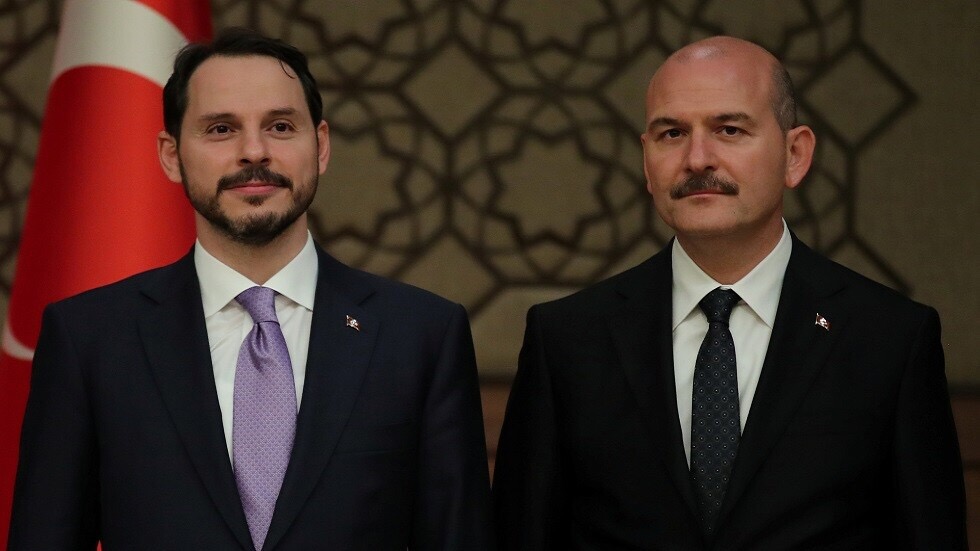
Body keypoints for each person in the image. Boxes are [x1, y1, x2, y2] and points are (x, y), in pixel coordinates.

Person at [10, 28, 493, 550]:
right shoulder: (90, 339)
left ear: (321, 146)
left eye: (280, 126)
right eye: (221, 129)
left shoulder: (421, 336)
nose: (254, 151)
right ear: (171, 155)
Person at [492, 36, 966, 549]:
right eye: (672, 133)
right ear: (646, 161)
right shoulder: (567, 339)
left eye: (729, 130)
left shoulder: (890, 338)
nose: (698, 159)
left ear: (795, 154)